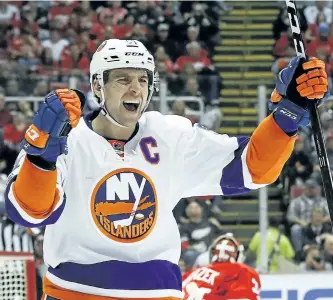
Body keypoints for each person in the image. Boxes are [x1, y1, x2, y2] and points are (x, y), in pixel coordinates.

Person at [4, 39, 329, 299]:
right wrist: (41, 158)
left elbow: (252, 168)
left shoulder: (170, 134)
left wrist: (286, 115)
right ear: (98, 87)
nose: (136, 89)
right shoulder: (67, 137)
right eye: (122, 79)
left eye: (143, 79)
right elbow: (29, 212)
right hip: (77, 293)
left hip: (159, 291)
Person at [182, 233, 261, 300]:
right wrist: (204, 296)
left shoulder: (193, 272)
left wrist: (202, 295)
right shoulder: (242, 270)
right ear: (237, 254)